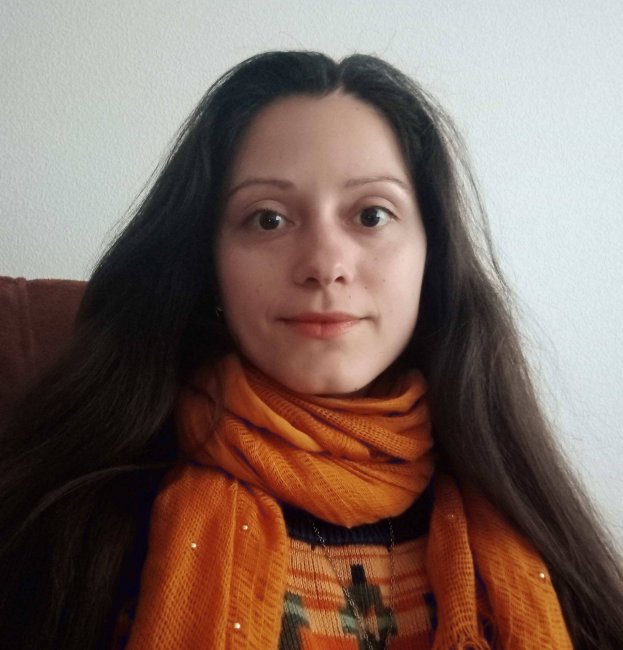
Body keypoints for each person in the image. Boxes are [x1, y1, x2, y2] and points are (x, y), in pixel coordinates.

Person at [0, 51, 621, 650]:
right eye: (268, 219)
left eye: (371, 215)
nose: (325, 264)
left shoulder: (524, 513)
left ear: (431, 255)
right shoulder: (75, 522)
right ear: (208, 262)